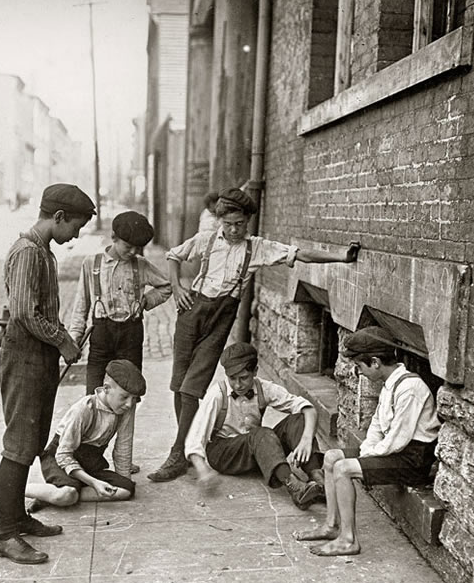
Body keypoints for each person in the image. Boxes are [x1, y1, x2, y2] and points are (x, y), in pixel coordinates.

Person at [147, 186, 361, 482]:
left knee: (192, 387)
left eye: (240, 224)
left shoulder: (256, 248)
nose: (234, 230)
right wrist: (178, 287)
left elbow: (299, 255)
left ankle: (177, 453)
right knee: (178, 385)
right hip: (190, 312)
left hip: (221, 319)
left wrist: (340, 256)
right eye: (228, 224)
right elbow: (173, 256)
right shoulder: (207, 239)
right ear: (219, 221)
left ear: (248, 222)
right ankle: (186, 447)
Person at [0, 183, 95, 565]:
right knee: (19, 445)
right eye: (76, 227)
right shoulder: (27, 253)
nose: (76, 235)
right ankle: (4, 535)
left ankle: (18, 518)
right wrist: (63, 339)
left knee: (32, 439)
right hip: (25, 357)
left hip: (39, 358)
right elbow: (22, 312)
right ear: (58, 217)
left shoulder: (42, 252)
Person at [292, 326, 441, 556]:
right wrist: (366, 451)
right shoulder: (390, 384)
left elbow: (396, 441)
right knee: (332, 457)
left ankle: (348, 540)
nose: (358, 372)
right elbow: (377, 425)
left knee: (343, 469)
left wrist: (364, 460)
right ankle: (332, 526)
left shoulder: (410, 388)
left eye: (359, 366)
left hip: (413, 460)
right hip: (396, 451)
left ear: (375, 362)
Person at [0, 360, 145, 511]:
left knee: (125, 491)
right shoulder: (84, 409)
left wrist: (122, 479)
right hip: (60, 458)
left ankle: (48, 494)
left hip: (89, 463)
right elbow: (64, 454)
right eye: (125, 397)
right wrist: (93, 483)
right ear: (106, 389)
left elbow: (123, 446)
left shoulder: (126, 408)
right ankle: (3, 490)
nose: (130, 404)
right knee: (67, 495)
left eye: (134, 398)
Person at [185, 343, 325, 509]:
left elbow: (308, 408)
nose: (238, 385)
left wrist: (306, 440)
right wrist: (203, 471)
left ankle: (318, 480)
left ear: (255, 372)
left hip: (255, 449)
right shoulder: (217, 394)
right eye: (232, 378)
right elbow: (195, 438)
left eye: (243, 378)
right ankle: (295, 487)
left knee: (298, 419)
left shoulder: (264, 388)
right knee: (261, 433)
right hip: (224, 453)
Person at [68, 211, 171, 396]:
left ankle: (125, 425)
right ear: (114, 237)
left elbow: (165, 287)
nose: (133, 252)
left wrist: (147, 300)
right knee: (94, 393)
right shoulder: (92, 263)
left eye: (138, 248)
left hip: (130, 336)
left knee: (129, 393)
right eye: (128, 246)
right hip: (101, 336)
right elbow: (81, 304)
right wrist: (75, 337)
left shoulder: (141, 265)